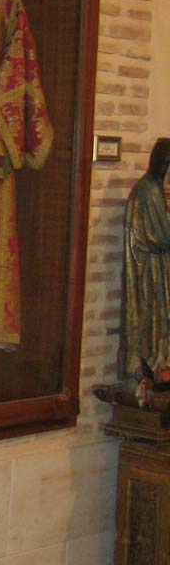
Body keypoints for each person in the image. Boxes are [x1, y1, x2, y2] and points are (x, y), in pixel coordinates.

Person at [121, 137, 170, 386]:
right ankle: (150, 367)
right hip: (148, 269)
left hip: (154, 265)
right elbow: (161, 236)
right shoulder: (149, 191)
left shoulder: (152, 189)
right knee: (151, 318)